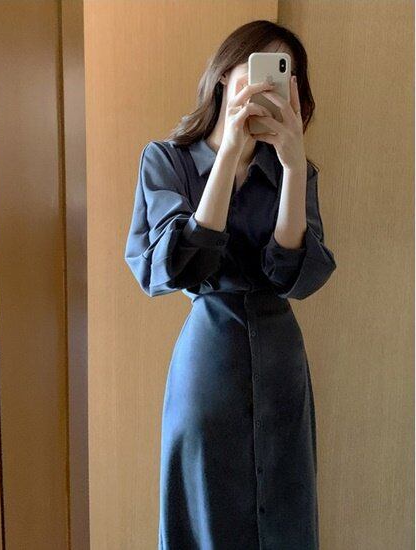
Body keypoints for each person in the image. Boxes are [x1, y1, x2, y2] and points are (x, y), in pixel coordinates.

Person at [125, 19, 337, 550]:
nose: (269, 85)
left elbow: (291, 274)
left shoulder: (293, 169)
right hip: (209, 358)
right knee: (206, 507)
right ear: (224, 74)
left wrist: (292, 169)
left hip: (280, 357)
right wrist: (228, 155)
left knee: (284, 507)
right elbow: (179, 265)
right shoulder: (167, 160)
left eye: (284, 74)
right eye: (257, 66)